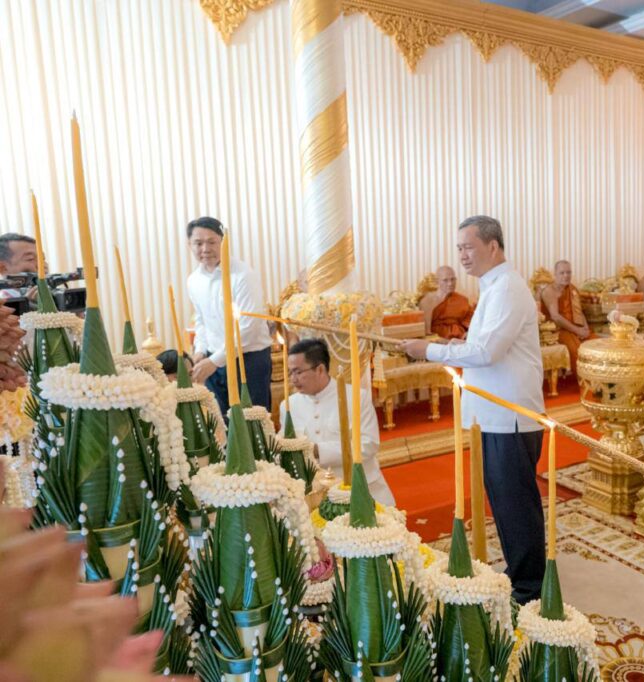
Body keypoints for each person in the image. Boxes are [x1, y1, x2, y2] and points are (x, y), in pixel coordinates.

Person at [401, 215, 546, 604]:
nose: (462, 255)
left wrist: (430, 350)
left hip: (510, 416)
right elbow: (483, 346)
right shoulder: (493, 287)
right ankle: (521, 575)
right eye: (459, 248)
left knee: (516, 505)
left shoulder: (507, 288)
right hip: (494, 416)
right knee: (505, 502)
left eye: (468, 247)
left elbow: (487, 352)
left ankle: (530, 588)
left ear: (493, 246)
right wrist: (446, 348)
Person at [282, 338, 394, 506]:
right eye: (290, 373)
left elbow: (368, 444)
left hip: (360, 488)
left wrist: (319, 450)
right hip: (314, 494)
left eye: (298, 372)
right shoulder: (288, 405)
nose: (293, 379)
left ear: (320, 369)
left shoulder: (356, 397)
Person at [185, 217, 273, 416]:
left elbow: (248, 327)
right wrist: (200, 350)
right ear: (189, 245)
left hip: (248, 359)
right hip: (214, 361)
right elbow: (201, 321)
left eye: (212, 242)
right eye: (198, 243)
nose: (205, 249)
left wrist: (214, 361)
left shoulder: (243, 275)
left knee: (253, 421)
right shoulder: (194, 280)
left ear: (224, 242)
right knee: (223, 422)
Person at [540, 260, 595, 373]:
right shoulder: (550, 291)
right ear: (555, 274)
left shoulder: (572, 289)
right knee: (578, 351)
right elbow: (555, 317)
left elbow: (579, 311)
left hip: (576, 327)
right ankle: (585, 380)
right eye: (562, 273)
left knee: (597, 344)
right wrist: (577, 331)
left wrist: (585, 328)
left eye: (569, 272)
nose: (566, 276)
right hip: (559, 330)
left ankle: (602, 377)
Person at [420, 265, 474, 340]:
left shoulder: (462, 300)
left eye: (453, 279)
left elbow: (471, 323)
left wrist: (469, 334)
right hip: (438, 339)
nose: (450, 283)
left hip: (460, 338)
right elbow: (427, 333)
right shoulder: (428, 300)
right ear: (437, 282)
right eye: (445, 280)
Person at [0, 233, 38, 304]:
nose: (42, 265)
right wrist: (26, 305)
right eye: (30, 259)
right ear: (3, 268)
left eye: (42, 259)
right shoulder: (3, 304)